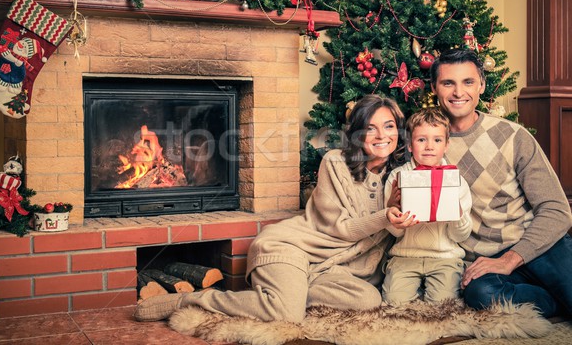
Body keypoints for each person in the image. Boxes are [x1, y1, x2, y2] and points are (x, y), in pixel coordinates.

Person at [134, 94, 406, 323]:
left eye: (389, 126)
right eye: (370, 128)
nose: (382, 135)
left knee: (369, 300)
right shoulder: (336, 163)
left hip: (333, 272)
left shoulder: (403, 176)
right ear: (358, 133)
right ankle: (192, 300)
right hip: (291, 249)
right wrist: (385, 215)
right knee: (287, 316)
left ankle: (291, 291)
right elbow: (341, 229)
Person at [430, 48, 572, 317]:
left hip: (539, 245)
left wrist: (511, 259)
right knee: (481, 295)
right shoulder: (425, 142)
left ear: (482, 85)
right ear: (435, 87)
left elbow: (556, 210)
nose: (459, 92)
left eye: (468, 82)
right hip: (485, 261)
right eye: (448, 83)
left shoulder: (512, 135)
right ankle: (552, 300)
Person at [382, 108, 472, 305]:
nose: (429, 146)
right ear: (410, 145)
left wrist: (458, 214)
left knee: (444, 304)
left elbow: (460, 236)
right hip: (406, 256)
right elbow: (396, 234)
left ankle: (431, 291)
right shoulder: (397, 178)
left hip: (445, 257)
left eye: (437, 140)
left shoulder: (456, 181)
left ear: (447, 145)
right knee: (394, 302)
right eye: (421, 139)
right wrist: (391, 212)